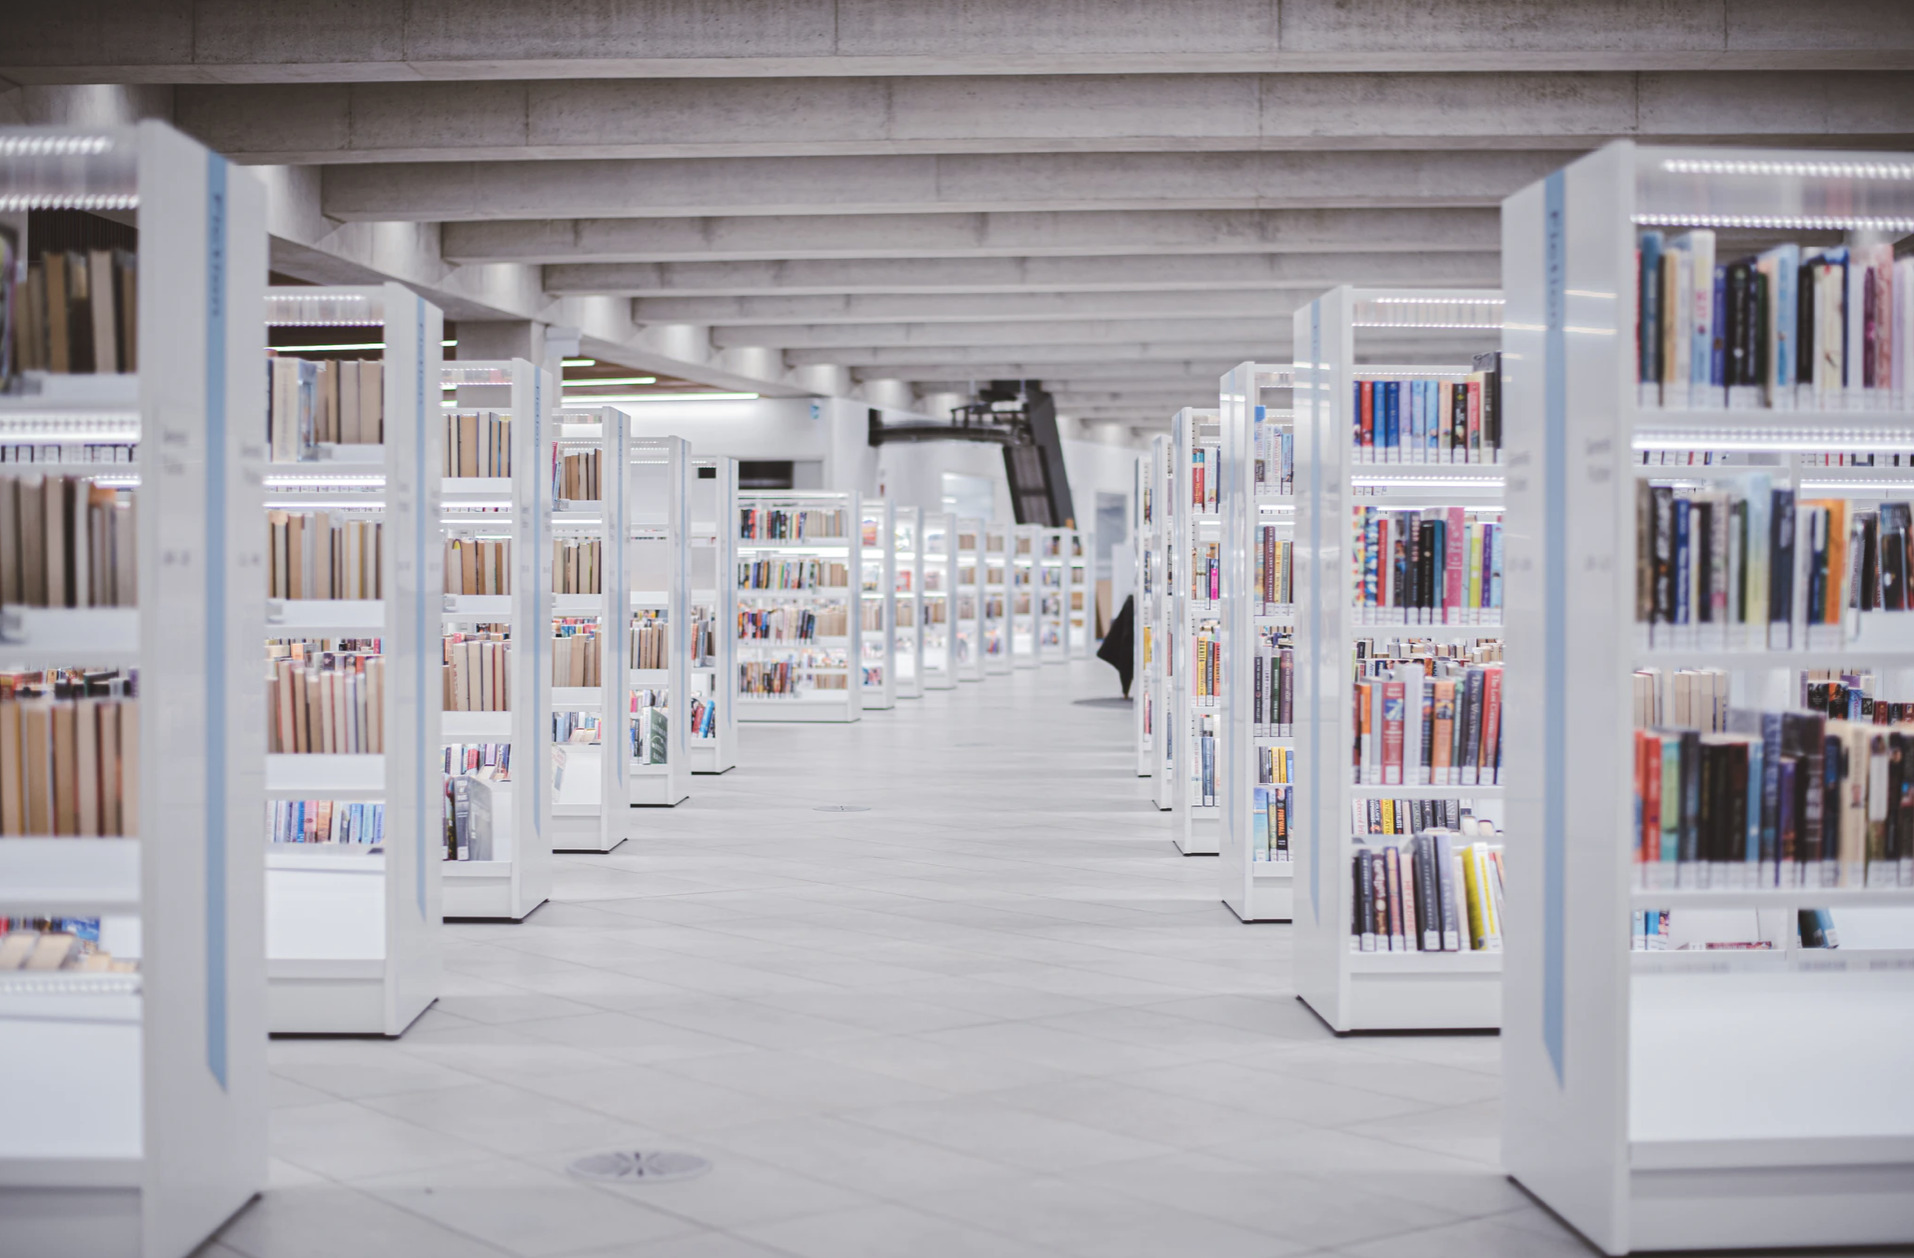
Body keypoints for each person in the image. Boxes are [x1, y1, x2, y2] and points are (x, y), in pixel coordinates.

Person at [1097, 594, 1135, 697]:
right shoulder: (1131, 604)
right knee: (1126, 667)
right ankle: (1125, 691)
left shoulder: (1130, 603)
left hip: (1127, 643)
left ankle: (1125, 691)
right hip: (1127, 644)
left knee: (1126, 668)